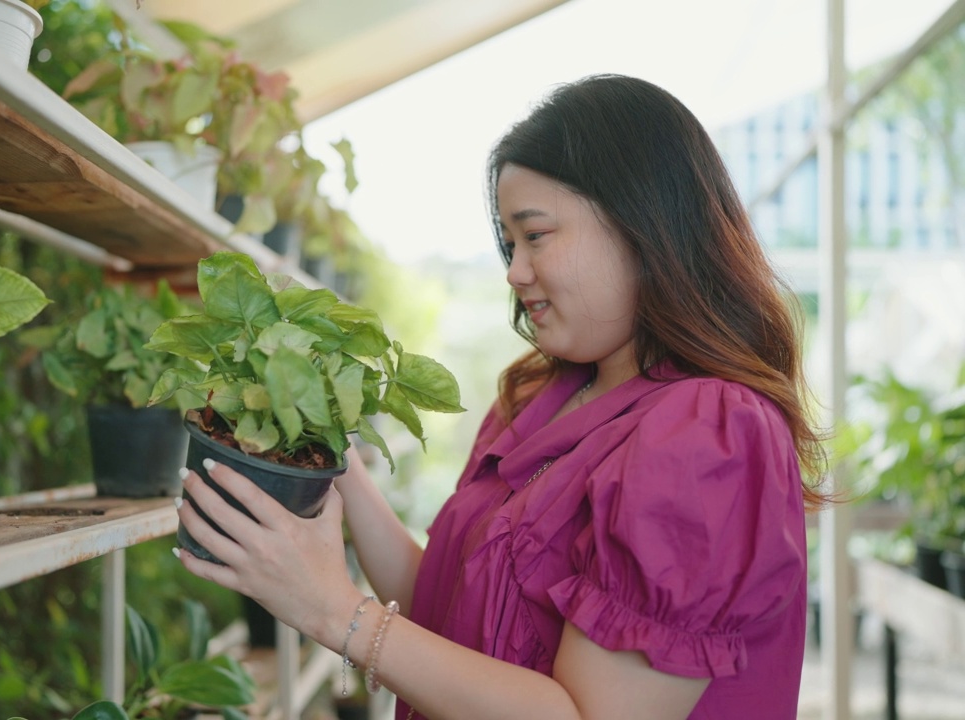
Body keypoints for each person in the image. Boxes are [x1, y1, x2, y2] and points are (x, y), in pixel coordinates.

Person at [173, 74, 827, 719]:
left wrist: (330, 609)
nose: (514, 272)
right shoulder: (538, 396)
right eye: (509, 243)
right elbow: (449, 610)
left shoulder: (709, 433)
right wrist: (326, 456)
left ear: (641, 224)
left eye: (536, 235)